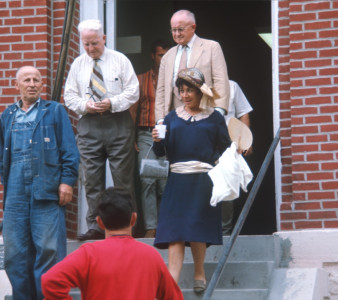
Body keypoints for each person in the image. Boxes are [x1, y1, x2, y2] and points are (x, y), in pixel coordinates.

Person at [0, 66, 79, 300]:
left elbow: (69, 150)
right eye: (27, 80)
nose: (32, 83)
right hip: (14, 194)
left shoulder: (54, 111)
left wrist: (67, 181)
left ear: (41, 85)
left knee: (49, 250)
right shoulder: (7, 115)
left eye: (36, 79)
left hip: (47, 189)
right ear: (17, 86)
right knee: (15, 253)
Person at [152, 68, 231, 293]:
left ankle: (199, 272)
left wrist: (235, 152)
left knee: (197, 227)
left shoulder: (215, 117)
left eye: (190, 91)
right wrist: (156, 139)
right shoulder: (171, 117)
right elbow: (160, 151)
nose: (185, 95)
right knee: (174, 230)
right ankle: (172, 281)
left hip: (203, 181)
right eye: (182, 91)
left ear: (200, 92)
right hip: (177, 179)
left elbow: (225, 148)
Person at [64, 19, 139, 241]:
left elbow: (133, 91)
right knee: (91, 180)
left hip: (118, 122)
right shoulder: (78, 64)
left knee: (123, 180)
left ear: (103, 38)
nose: (90, 49)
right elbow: (69, 96)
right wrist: (84, 105)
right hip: (89, 125)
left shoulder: (120, 60)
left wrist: (112, 103)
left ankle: (127, 225)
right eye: (86, 44)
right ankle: (96, 226)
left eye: (94, 43)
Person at [41, 187, 184, 300]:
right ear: (133, 219)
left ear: (99, 222)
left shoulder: (88, 254)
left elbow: (50, 281)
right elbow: (174, 297)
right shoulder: (152, 256)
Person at [155, 9, 230, 124]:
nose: (176, 34)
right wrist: (160, 119)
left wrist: (218, 112)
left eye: (180, 29)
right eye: (173, 30)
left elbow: (221, 81)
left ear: (193, 27)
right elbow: (161, 90)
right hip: (173, 117)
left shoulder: (211, 47)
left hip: (205, 115)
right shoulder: (167, 56)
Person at [130, 39, 170, 238]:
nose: (163, 59)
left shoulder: (176, 80)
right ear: (153, 56)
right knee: (147, 179)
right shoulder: (141, 79)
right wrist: (131, 136)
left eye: (166, 55)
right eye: (160, 55)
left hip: (169, 135)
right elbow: (133, 109)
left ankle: (164, 227)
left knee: (164, 181)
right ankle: (151, 228)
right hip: (145, 133)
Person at [222, 79, 253, 234]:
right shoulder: (199, 87)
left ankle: (225, 232)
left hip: (229, 142)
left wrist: (245, 141)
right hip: (206, 142)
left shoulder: (232, 86)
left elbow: (243, 113)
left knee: (228, 186)